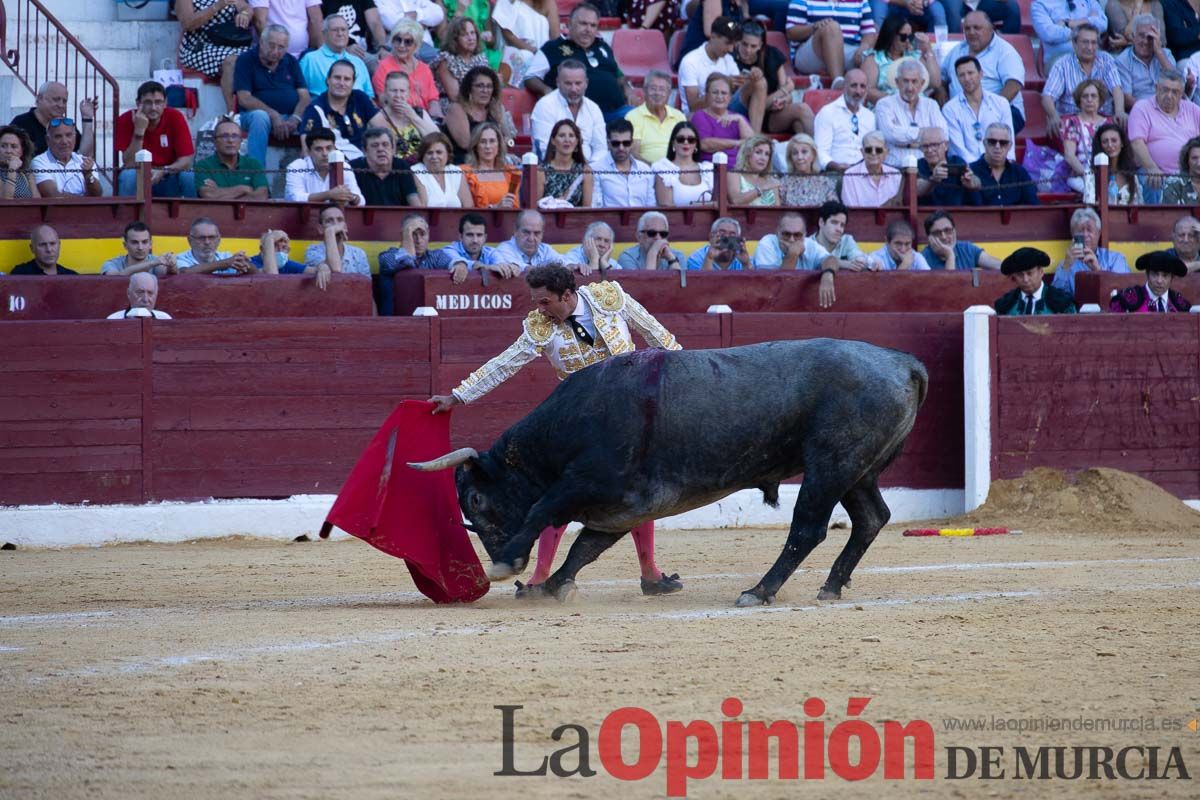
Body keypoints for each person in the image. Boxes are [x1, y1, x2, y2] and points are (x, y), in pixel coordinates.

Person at [426, 263, 684, 597]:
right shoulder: (540, 327)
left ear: (567, 295)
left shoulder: (609, 298)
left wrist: (687, 381)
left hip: (630, 417)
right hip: (580, 420)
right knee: (558, 492)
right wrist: (459, 396)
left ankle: (649, 572)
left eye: (545, 302)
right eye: (536, 302)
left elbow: (658, 336)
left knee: (638, 490)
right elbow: (505, 364)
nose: (539, 309)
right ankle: (539, 577)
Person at [523, 4, 632, 123]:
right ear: (569, 24)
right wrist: (545, 89)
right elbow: (530, 77)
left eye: (593, 25)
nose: (588, 29)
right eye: (583, 24)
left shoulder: (603, 46)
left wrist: (627, 88)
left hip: (616, 113)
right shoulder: (552, 48)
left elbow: (618, 74)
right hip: (576, 116)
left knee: (639, 118)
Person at [234, 24, 311, 164]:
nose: (276, 51)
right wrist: (273, 115)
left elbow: (304, 96)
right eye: (271, 45)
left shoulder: (291, 61)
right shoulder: (246, 60)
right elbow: (244, 98)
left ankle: (311, 168)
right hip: (255, 116)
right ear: (261, 43)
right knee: (260, 117)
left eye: (281, 47)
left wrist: (296, 118)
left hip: (290, 116)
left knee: (314, 113)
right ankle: (256, 175)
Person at [940, 12, 1026, 134]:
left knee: (977, 131)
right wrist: (941, 90)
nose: (971, 32)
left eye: (977, 28)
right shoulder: (957, 50)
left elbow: (1014, 85)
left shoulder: (1005, 51)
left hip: (1002, 110)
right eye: (967, 28)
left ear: (991, 29)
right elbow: (942, 77)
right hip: (960, 109)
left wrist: (989, 110)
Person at [115, 81, 196, 198]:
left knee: (188, 175)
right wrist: (139, 131)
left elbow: (187, 160)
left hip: (168, 175)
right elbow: (129, 163)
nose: (153, 108)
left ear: (165, 103)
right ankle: (126, 215)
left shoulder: (176, 117)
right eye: (148, 102)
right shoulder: (126, 119)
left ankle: (192, 215)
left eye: (158, 102)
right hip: (140, 175)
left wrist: (164, 170)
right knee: (128, 175)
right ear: (138, 103)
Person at [1040, 24, 1126, 134]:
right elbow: (1047, 96)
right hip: (1073, 119)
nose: (1090, 47)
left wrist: (1119, 111)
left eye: (1093, 43)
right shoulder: (1062, 64)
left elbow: (1116, 89)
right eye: (1085, 42)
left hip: (1103, 118)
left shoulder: (1106, 60)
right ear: (1074, 44)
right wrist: (1053, 116)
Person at [1128, 70, 1200, 193]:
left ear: (1181, 94)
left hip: (1191, 174)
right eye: (1165, 90)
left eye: (1175, 92)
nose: (1169, 95)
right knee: (1152, 181)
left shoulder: (1193, 109)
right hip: (1157, 172)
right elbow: (1137, 143)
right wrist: (1151, 167)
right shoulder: (1142, 108)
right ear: (1156, 88)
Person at [176, 0, 255, 111]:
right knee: (231, 62)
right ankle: (232, 113)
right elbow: (188, 24)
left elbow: (246, 8)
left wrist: (244, 14)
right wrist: (216, 6)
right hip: (199, 45)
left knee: (256, 57)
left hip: (230, 42)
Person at [735, 21, 811, 134]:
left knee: (802, 112)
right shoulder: (730, 60)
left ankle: (816, 149)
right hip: (743, 114)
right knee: (760, 84)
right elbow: (749, 103)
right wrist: (785, 89)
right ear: (738, 42)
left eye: (753, 46)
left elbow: (786, 93)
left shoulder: (771, 54)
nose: (748, 50)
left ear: (760, 45)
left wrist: (783, 100)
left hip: (771, 115)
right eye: (744, 44)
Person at [298, 59, 379, 159]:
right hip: (334, 167)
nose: (341, 83)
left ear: (353, 83)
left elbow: (384, 127)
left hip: (364, 164)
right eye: (337, 78)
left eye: (347, 79)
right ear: (328, 80)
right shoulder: (316, 109)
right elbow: (306, 150)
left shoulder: (360, 98)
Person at [875, 58, 947, 169]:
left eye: (914, 81)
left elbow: (943, 135)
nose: (910, 87)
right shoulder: (884, 104)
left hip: (927, 169)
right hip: (895, 168)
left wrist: (904, 141)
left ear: (922, 83)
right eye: (905, 81)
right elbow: (890, 134)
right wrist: (924, 136)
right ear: (897, 82)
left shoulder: (931, 105)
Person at [529, 59, 607, 160]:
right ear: (558, 82)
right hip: (552, 170)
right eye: (568, 83)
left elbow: (601, 149)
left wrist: (590, 170)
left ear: (586, 83)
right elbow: (544, 150)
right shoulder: (544, 106)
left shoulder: (593, 108)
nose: (574, 89)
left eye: (578, 83)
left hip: (590, 170)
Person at [943, 55, 1013, 165]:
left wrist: (1004, 167)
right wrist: (980, 169)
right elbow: (958, 150)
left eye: (970, 73)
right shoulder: (950, 109)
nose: (966, 79)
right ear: (957, 79)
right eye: (962, 75)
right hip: (968, 170)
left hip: (1000, 167)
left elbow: (1009, 141)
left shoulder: (1001, 103)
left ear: (981, 74)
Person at [376, 214, 453, 313]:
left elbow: (452, 264)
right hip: (395, 322)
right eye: (413, 234)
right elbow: (407, 260)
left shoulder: (436, 256)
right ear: (403, 235)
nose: (418, 240)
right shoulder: (387, 257)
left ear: (428, 234)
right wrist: (407, 234)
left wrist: (460, 264)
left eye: (422, 234)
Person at [442, 66, 517, 164]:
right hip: (462, 163)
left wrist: (500, 113)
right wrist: (500, 142)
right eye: (479, 86)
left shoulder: (495, 109)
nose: (485, 90)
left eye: (489, 86)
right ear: (469, 89)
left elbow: (510, 141)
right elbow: (466, 144)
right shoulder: (456, 109)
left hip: (489, 162)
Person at [785, 0, 877, 80]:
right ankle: (838, 82)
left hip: (849, 51)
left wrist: (864, 47)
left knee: (871, 52)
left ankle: (874, 91)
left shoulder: (860, 1)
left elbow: (869, 32)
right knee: (831, 27)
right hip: (812, 53)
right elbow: (791, 32)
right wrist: (814, 27)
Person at [862, 16, 941, 107]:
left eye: (910, 37)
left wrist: (928, 50)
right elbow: (868, 90)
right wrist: (898, 101)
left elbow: (936, 83)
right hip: (888, 108)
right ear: (891, 35)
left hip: (918, 108)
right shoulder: (874, 58)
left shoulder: (914, 56)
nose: (908, 41)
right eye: (903, 37)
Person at [677, 17, 747, 118]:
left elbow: (738, 94)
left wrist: (747, 82)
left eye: (733, 44)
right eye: (727, 43)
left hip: (725, 112)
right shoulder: (690, 61)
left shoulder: (728, 59)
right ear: (713, 36)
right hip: (699, 116)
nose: (731, 49)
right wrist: (723, 84)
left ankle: (754, 132)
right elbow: (693, 106)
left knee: (759, 84)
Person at [1051, 207, 1131, 296]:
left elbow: (1124, 292)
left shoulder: (1115, 259)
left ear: (1098, 233)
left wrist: (1097, 270)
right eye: (1080, 231)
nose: (1085, 235)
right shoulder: (1065, 264)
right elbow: (1055, 299)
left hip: (1110, 309)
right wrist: (1066, 267)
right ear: (1073, 235)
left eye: (1089, 230)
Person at [368, 70, 440, 164]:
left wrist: (413, 116)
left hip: (423, 165)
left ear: (408, 93)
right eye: (393, 91)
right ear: (385, 92)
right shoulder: (377, 117)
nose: (398, 95)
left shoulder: (418, 112)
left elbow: (438, 139)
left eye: (402, 91)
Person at [9, 81, 96, 158]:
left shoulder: (65, 125)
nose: (61, 105)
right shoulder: (21, 123)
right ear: (39, 98)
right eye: (56, 99)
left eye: (64, 101)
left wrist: (87, 119)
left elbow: (84, 156)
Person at [284, 126, 367, 204]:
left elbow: (361, 201)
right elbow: (295, 198)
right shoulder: (296, 166)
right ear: (309, 152)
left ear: (335, 148)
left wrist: (352, 197)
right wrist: (329, 195)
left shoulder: (344, 166)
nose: (325, 153)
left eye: (329, 148)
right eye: (318, 149)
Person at [812, 69, 875, 171]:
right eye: (854, 85)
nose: (858, 91)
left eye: (862, 86)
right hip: (835, 173)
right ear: (844, 87)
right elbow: (820, 151)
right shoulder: (827, 113)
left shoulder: (870, 116)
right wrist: (835, 166)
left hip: (864, 174)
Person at [195, 117, 271, 200]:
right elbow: (209, 195)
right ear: (215, 141)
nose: (230, 140)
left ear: (241, 140)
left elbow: (262, 195)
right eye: (224, 136)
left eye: (235, 136)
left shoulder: (253, 164)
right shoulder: (203, 165)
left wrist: (220, 193)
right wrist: (244, 189)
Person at [372, 20, 439, 111]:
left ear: (416, 45)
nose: (401, 45)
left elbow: (433, 100)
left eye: (408, 42)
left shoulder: (424, 68)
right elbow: (384, 101)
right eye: (398, 40)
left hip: (424, 118)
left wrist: (435, 119)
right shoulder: (384, 67)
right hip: (398, 116)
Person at [300, 14, 374, 97]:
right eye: (335, 30)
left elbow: (369, 95)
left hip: (358, 108)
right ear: (324, 34)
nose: (340, 33)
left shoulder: (358, 62)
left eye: (343, 30)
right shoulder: (310, 60)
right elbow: (300, 93)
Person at [966, 122, 1040, 205]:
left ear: (1010, 146)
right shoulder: (971, 171)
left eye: (1003, 143)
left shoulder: (1019, 172)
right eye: (992, 141)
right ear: (984, 143)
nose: (997, 146)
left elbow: (1033, 205)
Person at [1059, 79, 1112, 193]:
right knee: (1092, 189)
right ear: (1079, 100)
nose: (1089, 100)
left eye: (1093, 96)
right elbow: (1069, 156)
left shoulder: (1109, 123)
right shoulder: (1072, 122)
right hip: (1081, 175)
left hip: (1109, 173)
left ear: (1100, 100)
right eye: (1085, 96)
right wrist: (1087, 175)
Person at [439, 212, 521, 283]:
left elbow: (500, 264)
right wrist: (487, 267)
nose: (475, 240)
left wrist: (509, 268)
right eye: (470, 235)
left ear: (485, 237)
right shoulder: (449, 250)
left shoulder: (491, 252)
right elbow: (460, 262)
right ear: (460, 237)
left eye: (479, 235)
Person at [432, 16, 489, 118]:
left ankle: (504, 134)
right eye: (464, 35)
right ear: (455, 39)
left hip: (479, 104)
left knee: (498, 108)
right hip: (455, 109)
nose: (471, 38)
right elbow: (455, 96)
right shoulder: (446, 60)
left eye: (472, 33)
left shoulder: (481, 59)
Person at [625, 70, 686, 165]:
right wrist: (655, 168)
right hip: (646, 171)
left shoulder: (679, 116)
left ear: (669, 93)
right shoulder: (633, 117)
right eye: (653, 89)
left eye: (662, 89)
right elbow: (633, 153)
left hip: (676, 170)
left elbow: (686, 148)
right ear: (644, 91)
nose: (657, 93)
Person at [305, 203, 372, 287]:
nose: (335, 225)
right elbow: (335, 269)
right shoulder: (313, 251)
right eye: (329, 221)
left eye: (340, 220)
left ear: (345, 227)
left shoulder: (359, 253)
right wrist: (330, 233)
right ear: (321, 229)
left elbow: (366, 288)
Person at [994, 246, 1077, 315]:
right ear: (1014, 277)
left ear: (1041, 272)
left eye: (1029, 273)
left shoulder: (1063, 304)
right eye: (1020, 275)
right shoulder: (1004, 306)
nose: (1026, 280)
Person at [591, 119, 655, 208]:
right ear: (608, 143)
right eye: (616, 143)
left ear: (632, 143)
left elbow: (651, 205)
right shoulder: (596, 169)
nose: (621, 148)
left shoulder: (645, 170)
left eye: (626, 143)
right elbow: (596, 208)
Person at [693, 74, 754, 164]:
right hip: (713, 169)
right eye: (715, 92)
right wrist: (738, 143)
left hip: (740, 168)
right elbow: (705, 144)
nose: (719, 96)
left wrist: (740, 119)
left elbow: (753, 144)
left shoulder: (737, 118)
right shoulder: (700, 116)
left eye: (724, 93)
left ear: (730, 97)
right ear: (706, 96)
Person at [31, 119, 102, 198]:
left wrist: (88, 175)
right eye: (58, 136)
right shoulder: (39, 162)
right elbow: (53, 196)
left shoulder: (84, 161)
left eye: (68, 135)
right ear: (48, 140)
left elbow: (97, 195)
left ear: (75, 137)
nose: (64, 141)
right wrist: (84, 199)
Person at [1115, 15, 1176, 106]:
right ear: (1133, 37)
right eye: (1141, 35)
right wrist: (1152, 110)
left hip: (1169, 106)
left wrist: (1159, 53)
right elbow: (1127, 98)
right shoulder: (1123, 61)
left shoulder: (1165, 54)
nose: (1145, 41)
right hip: (1141, 110)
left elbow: (1176, 83)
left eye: (1150, 37)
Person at [350, 126, 420, 205]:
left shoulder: (402, 166)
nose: (380, 149)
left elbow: (412, 197)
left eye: (385, 144)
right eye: (375, 145)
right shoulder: (352, 168)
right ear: (365, 151)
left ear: (393, 149)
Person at [492, 0, 555, 87]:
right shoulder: (506, 2)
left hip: (545, 55)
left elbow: (555, 36)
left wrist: (544, 54)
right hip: (517, 55)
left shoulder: (548, 3)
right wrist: (534, 51)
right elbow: (509, 35)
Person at [653, 121, 715, 207]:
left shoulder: (708, 169)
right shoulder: (663, 167)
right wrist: (698, 205)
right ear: (673, 143)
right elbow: (666, 206)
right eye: (680, 139)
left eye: (691, 140)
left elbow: (719, 203)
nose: (686, 143)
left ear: (696, 144)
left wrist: (693, 205)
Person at [1031, 0, 1108, 67]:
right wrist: (1088, 21)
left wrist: (1068, 24)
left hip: (1091, 54)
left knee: (1108, 62)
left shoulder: (1088, 1)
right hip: (1060, 57)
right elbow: (1049, 34)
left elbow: (1103, 23)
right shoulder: (1040, 5)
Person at [535, 119, 593, 208]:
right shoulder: (541, 171)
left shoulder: (585, 171)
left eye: (571, 136)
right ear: (553, 141)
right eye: (562, 136)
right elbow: (536, 207)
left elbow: (587, 210)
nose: (567, 140)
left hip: (576, 220)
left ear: (577, 142)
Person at [462, 122, 521, 208]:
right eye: (483, 142)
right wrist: (495, 207)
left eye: (492, 141)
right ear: (476, 146)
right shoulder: (466, 172)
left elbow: (516, 206)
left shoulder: (511, 172)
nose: (488, 146)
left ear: (499, 145)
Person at [1110, 251, 1192, 312]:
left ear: (1172, 277)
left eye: (1165, 275)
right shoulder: (1126, 300)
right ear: (1147, 274)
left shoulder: (1180, 305)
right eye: (1155, 274)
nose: (1159, 281)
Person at [321, 0, 391, 70]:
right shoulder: (323, 2)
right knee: (375, 65)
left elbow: (375, 24)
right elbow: (320, 34)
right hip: (335, 52)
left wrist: (382, 48)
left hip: (363, 52)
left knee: (383, 64)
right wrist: (344, 49)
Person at [921, 210, 1002, 270]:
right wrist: (949, 255)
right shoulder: (923, 259)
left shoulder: (966, 248)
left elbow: (998, 265)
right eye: (937, 233)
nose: (944, 237)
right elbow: (949, 287)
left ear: (954, 232)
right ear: (929, 238)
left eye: (947, 230)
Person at [410, 131, 473, 207]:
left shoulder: (456, 171)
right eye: (429, 153)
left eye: (439, 152)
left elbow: (468, 206)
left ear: (447, 154)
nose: (434, 157)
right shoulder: (416, 171)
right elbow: (422, 207)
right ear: (423, 155)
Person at [841, 132, 902, 207]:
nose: (873, 153)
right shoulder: (850, 176)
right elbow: (852, 211)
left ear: (886, 153)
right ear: (862, 152)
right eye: (868, 150)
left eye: (878, 150)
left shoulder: (896, 175)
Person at [916, 126, 973, 206]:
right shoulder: (918, 165)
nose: (929, 150)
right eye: (925, 146)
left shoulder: (956, 162)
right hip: (927, 216)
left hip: (956, 215)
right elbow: (915, 190)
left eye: (934, 145)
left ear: (946, 145)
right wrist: (933, 179)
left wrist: (971, 181)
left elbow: (976, 182)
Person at [176, 217, 255, 275]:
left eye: (211, 237)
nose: (207, 242)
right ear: (190, 240)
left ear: (219, 239)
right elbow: (184, 273)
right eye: (201, 238)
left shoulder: (226, 256)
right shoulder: (180, 258)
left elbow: (257, 276)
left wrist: (245, 264)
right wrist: (225, 264)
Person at [780, 132, 839, 206]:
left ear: (813, 155)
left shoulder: (826, 182)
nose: (800, 157)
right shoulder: (783, 183)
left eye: (804, 152)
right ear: (790, 158)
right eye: (795, 153)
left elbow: (834, 212)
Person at [752, 212, 827, 269]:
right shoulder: (767, 243)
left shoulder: (810, 244)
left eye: (797, 235)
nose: (791, 240)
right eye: (786, 234)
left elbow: (831, 259)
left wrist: (828, 274)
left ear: (804, 235)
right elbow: (775, 284)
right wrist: (793, 253)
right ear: (777, 233)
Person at [101, 221, 179, 277]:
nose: (140, 247)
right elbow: (116, 278)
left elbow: (170, 273)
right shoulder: (112, 264)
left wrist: (172, 265)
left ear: (150, 244)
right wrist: (151, 263)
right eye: (135, 242)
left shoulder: (157, 262)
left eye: (144, 242)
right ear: (125, 245)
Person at [1093, 121, 1144, 203]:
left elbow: (1139, 204)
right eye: (1105, 142)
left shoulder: (1132, 174)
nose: (1110, 145)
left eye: (1114, 140)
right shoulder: (1093, 174)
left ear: (1122, 143)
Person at [250, 0, 323, 57]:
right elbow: (259, 22)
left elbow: (316, 19)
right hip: (273, 57)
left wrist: (320, 52)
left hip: (304, 54)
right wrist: (273, 51)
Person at [617, 211, 685, 270]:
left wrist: (672, 259)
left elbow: (682, 283)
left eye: (663, 234)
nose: (658, 238)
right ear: (639, 236)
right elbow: (645, 284)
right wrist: (653, 253)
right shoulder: (628, 257)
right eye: (652, 233)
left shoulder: (678, 255)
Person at [728, 134, 782, 206]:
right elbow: (736, 200)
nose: (763, 158)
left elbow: (777, 211)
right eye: (758, 152)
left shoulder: (771, 181)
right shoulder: (734, 175)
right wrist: (762, 188)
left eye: (767, 154)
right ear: (747, 154)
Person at [11, 225, 77, 275]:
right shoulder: (20, 274)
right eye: (42, 245)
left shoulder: (71, 276)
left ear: (59, 245)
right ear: (32, 248)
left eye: (52, 244)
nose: (49, 249)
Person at [107, 272, 172, 319]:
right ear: (128, 293)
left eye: (150, 293)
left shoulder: (165, 319)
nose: (145, 299)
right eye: (140, 292)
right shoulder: (114, 320)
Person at [0, 125, 41, 199]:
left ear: (22, 151)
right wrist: (12, 170)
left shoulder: (26, 173)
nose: (8, 151)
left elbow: (37, 201)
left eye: (14, 146)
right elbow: (6, 200)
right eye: (3, 146)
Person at [1162, 138, 1200, 204]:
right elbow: (1171, 213)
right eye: (1194, 158)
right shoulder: (1174, 182)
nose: (1199, 163)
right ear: (1187, 160)